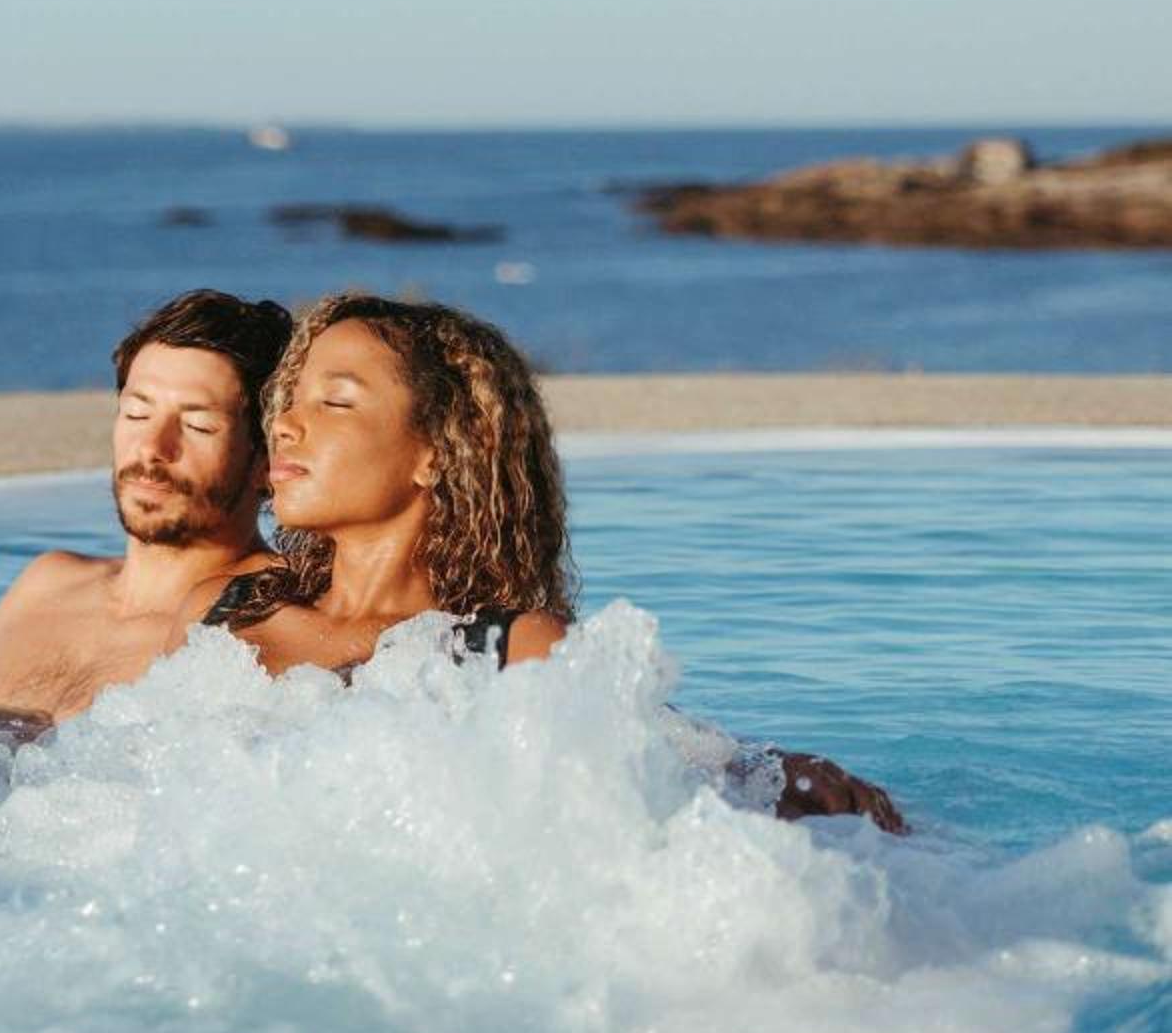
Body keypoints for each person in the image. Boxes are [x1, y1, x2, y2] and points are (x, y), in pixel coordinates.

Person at [179, 291, 905, 830]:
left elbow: (667, 755)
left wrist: (762, 770)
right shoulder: (227, 609)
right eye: (291, 399)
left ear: (436, 453)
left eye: (335, 403)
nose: (285, 423)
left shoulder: (504, 649)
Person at [0, 288, 290, 729]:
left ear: (267, 462)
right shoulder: (49, 582)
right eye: (137, 415)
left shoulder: (268, 621)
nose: (152, 447)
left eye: (198, 425)